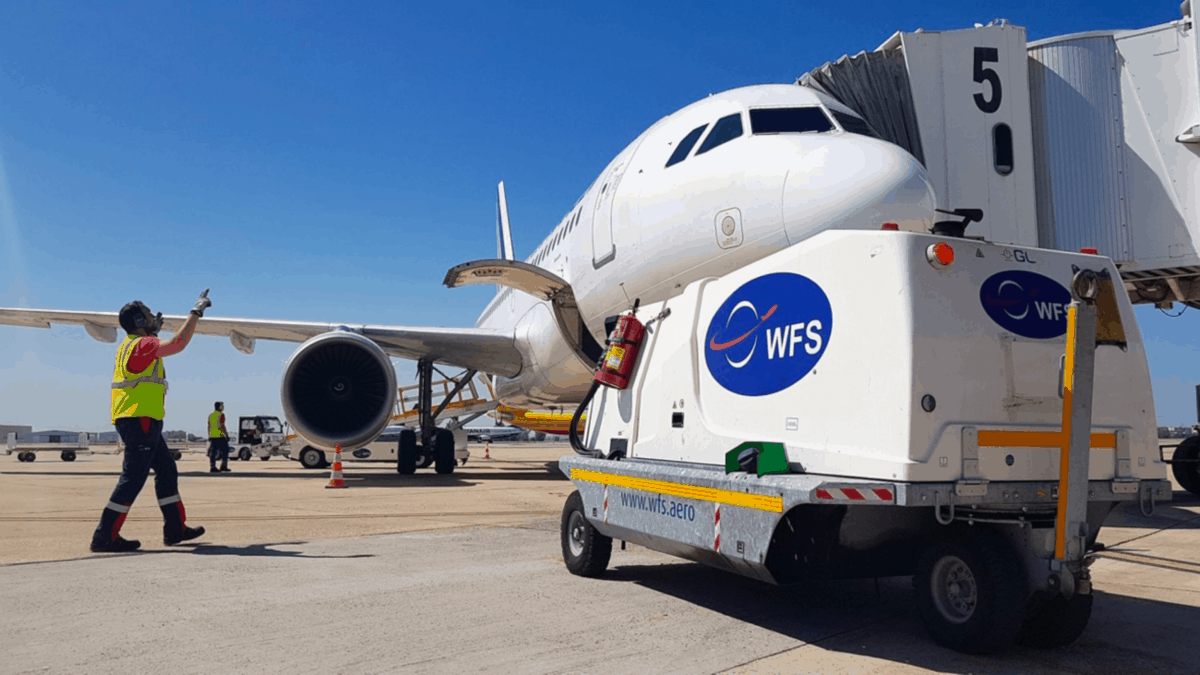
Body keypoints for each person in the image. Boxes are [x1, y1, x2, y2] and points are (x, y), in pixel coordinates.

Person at [90, 290, 213, 553]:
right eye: (148, 315)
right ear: (138, 321)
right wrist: (196, 313)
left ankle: (175, 529)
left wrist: (152, 332)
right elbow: (178, 343)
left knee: (167, 470)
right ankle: (104, 535)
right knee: (133, 478)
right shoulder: (143, 345)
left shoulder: (132, 345)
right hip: (139, 419)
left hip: (142, 419)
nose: (154, 317)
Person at [207, 401, 231, 473]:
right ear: (219, 407)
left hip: (212, 436)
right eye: (222, 406)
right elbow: (222, 425)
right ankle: (223, 466)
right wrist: (226, 435)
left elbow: (209, 426)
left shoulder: (210, 415)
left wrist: (209, 435)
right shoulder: (221, 415)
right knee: (225, 450)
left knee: (213, 452)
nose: (223, 407)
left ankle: (212, 466)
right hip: (220, 436)